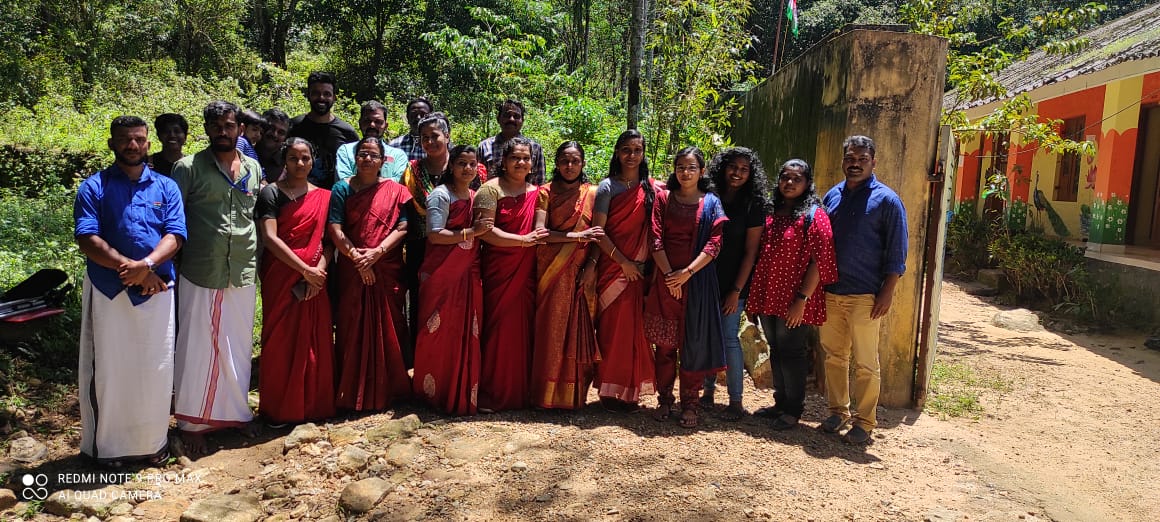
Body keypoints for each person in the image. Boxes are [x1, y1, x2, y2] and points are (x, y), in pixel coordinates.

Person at [74, 116, 186, 467]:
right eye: (125, 140)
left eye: (138, 139)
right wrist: (132, 269)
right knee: (110, 369)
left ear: (148, 143)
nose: (132, 145)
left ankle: (152, 444)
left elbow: (176, 235)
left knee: (155, 368)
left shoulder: (166, 187)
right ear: (112, 144)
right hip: (110, 291)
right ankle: (105, 449)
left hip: (157, 289)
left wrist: (148, 266)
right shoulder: (94, 187)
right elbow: (87, 238)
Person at [171, 101, 263, 454]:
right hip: (200, 268)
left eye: (228, 125)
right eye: (216, 126)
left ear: (239, 127)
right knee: (196, 345)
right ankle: (193, 422)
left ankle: (236, 415)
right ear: (207, 129)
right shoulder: (188, 168)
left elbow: (254, 216)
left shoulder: (253, 169)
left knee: (237, 346)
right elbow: (173, 223)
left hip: (241, 268)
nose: (222, 132)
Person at [818, 135, 908, 444]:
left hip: (866, 296)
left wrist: (887, 292)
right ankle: (837, 411)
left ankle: (865, 421)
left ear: (873, 163)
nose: (854, 164)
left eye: (862, 159)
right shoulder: (832, 196)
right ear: (843, 160)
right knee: (834, 356)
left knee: (866, 362)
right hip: (832, 292)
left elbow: (898, 251)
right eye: (850, 158)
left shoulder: (887, 200)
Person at [746, 159, 838, 431]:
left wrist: (801, 300)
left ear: (807, 183)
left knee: (792, 352)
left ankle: (793, 409)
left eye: (796, 178)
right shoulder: (773, 213)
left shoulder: (813, 216)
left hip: (795, 299)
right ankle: (780, 401)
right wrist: (755, 298)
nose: (789, 182)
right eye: (785, 177)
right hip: (768, 295)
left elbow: (821, 262)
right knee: (776, 349)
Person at [328, 137, 414, 411]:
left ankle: (391, 387)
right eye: (362, 154)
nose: (367, 159)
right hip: (352, 269)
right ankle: (351, 389)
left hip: (385, 265)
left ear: (382, 161)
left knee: (390, 321)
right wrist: (358, 258)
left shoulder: (395, 190)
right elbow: (335, 229)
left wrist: (375, 253)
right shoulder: (342, 189)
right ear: (355, 158)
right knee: (351, 321)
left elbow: (402, 227)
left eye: (373, 155)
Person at [255, 137, 336, 425]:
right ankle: (279, 410)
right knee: (280, 339)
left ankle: (315, 406)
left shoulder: (325, 197)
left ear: (313, 160)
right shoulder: (272, 194)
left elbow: (329, 240)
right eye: (293, 158)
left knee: (316, 337)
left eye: (305, 158)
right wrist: (305, 270)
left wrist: (319, 273)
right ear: (284, 161)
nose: (300, 164)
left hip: (316, 277)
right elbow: (270, 237)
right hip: (282, 275)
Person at [644, 147, 727, 429]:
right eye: (681, 167)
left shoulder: (712, 203)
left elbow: (714, 244)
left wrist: (686, 274)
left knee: (692, 344)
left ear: (702, 172)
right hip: (665, 282)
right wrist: (670, 276)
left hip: (698, 284)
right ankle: (665, 399)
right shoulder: (663, 199)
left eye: (692, 167)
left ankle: (690, 403)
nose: (685, 172)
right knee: (665, 346)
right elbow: (654, 238)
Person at [411, 145, 493, 415]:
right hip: (442, 273)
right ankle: (434, 394)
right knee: (436, 330)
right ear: (451, 166)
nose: (467, 169)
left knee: (464, 330)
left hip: (468, 274)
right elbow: (435, 235)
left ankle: (462, 390)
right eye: (461, 163)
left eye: (472, 164)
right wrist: (471, 232)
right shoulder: (440, 194)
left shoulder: (474, 195)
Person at [473, 137, 548, 412]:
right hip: (498, 269)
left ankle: (523, 392)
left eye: (526, 158)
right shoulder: (488, 190)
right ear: (502, 161)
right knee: (498, 328)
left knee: (524, 328)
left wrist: (532, 238)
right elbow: (485, 231)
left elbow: (540, 227)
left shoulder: (538, 192)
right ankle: (493, 393)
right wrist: (522, 241)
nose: (521, 162)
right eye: (515, 157)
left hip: (527, 269)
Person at [530, 142, 604, 410]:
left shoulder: (593, 194)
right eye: (564, 161)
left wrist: (592, 266)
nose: (569, 166)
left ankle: (575, 396)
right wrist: (576, 236)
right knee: (550, 329)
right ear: (556, 163)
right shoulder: (545, 193)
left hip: (582, 271)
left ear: (583, 163)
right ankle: (545, 395)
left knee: (579, 328)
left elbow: (599, 235)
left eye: (574, 161)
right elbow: (540, 232)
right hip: (550, 272)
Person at [589, 129, 659, 412]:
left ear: (643, 154)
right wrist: (622, 262)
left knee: (633, 331)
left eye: (637, 150)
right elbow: (598, 231)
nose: (632, 155)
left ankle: (629, 391)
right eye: (626, 150)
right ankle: (608, 388)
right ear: (617, 153)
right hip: (613, 268)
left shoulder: (651, 188)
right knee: (610, 329)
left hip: (640, 271)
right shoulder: (607, 187)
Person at [701, 148, 768, 421]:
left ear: (751, 174)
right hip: (704, 278)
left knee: (730, 338)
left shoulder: (753, 204)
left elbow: (751, 252)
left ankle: (735, 401)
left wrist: (737, 291)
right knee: (705, 336)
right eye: (733, 167)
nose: (737, 173)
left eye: (744, 169)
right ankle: (706, 393)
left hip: (734, 283)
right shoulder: (709, 195)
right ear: (722, 167)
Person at [289, 71, 359, 189]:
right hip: (297, 196)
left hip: (334, 199)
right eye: (316, 93)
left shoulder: (347, 133)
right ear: (308, 95)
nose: (321, 98)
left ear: (334, 97)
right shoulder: (293, 127)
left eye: (327, 94)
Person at [336, 100, 410, 183]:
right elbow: (344, 181)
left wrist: (363, 183)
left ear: (385, 126)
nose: (372, 125)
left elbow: (400, 182)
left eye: (378, 122)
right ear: (360, 123)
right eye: (367, 121)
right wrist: (384, 183)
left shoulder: (398, 155)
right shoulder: (346, 151)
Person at [477, 99, 546, 185]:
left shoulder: (535, 148)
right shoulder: (485, 146)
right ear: (498, 119)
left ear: (522, 120)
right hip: (491, 196)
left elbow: (540, 182)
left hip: (526, 197)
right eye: (507, 115)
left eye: (516, 116)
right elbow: (477, 181)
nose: (511, 119)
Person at [389, 97, 433, 162]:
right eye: (414, 114)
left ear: (431, 118)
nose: (418, 118)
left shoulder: (438, 146)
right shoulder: (394, 146)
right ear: (408, 118)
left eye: (423, 115)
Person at [258, 108, 291, 182]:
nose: (274, 134)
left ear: (285, 138)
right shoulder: (242, 152)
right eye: (271, 128)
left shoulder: (288, 165)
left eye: (281, 132)